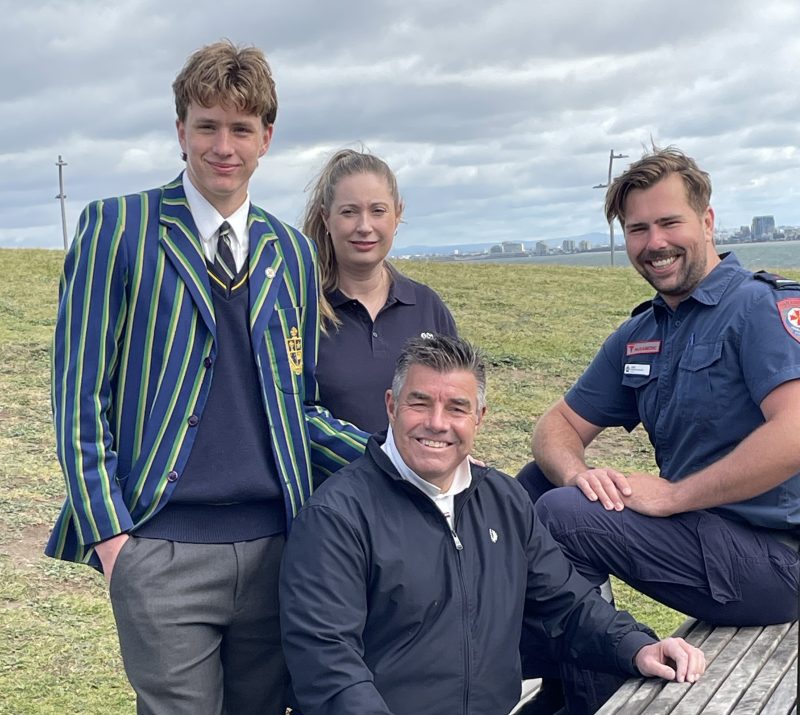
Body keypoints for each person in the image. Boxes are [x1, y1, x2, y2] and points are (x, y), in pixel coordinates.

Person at [45, 41, 367, 715]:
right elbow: (80, 400)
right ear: (181, 130)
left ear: (266, 139)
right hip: (161, 550)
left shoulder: (293, 252)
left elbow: (299, 409)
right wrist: (115, 543)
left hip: (278, 547)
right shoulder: (117, 228)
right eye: (207, 125)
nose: (224, 145)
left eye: (241, 128)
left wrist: (401, 458)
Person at [279, 335, 705, 715]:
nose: (438, 423)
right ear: (391, 406)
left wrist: (638, 646)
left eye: (457, 408)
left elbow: (568, 604)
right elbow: (328, 665)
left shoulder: (503, 499)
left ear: (479, 418)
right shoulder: (335, 518)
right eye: (420, 402)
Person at [517, 147, 800, 708]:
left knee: (563, 517)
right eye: (638, 229)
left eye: (669, 222)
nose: (654, 243)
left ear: (708, 221)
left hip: (777, 558)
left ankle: (591, 697)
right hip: (706, 537)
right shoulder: (644, 332)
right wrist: (579, 474)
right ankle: (549, 672)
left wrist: (675, 495)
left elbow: (794, 431)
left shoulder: (758, 308)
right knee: (532, 487)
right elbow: (556, 425)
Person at [302, 148, 457, 433]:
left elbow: (455, 405)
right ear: (326, 218)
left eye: (378, 211)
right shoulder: (301, 310)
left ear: (398, 215)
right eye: (349, 212)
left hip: (419, 477)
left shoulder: (427, 306)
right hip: (332, 478)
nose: (364, 226)